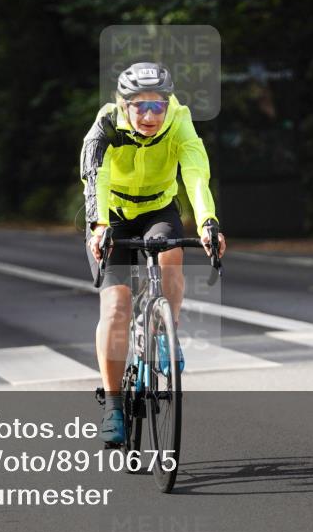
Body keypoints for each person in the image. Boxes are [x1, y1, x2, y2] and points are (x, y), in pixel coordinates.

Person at [80, 62, 226, 445]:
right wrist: (99, 227)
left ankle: (166, 333)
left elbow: (195, 170)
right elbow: (96, 177)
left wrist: (208, 221)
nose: (149, 116)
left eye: (157, 106)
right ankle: (113, 405)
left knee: (171, 255)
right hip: (110, 214)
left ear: (168, 103)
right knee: (116, 307)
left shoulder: (179, 120)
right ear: (123, 103)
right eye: (140, 107)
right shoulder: (107, 125)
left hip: (158, 208)